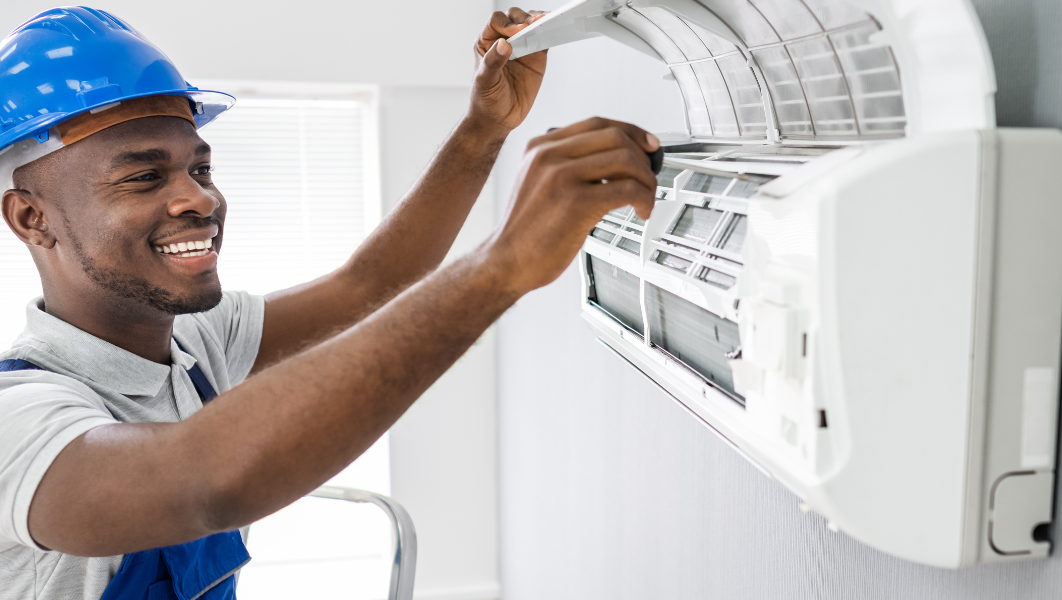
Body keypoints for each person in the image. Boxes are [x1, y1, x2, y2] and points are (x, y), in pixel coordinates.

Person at [0, 6, 659, 600]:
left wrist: (483, 130)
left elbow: (369, 288)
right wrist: (500, 267)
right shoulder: (20, 420)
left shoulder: (199, 342)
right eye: (145, 176)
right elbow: (205, 482)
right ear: (32, 218)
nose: (199, 199)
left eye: (199, 169)